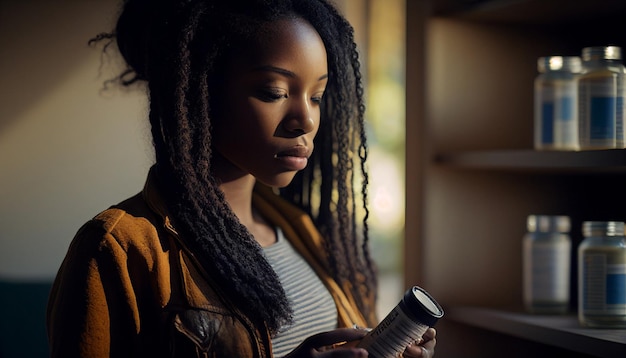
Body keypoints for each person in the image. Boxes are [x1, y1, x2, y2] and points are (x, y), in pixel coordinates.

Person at [46, 0, 437, 357]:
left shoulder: (301, 231)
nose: (307, 120)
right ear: (200, 92)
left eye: (316, 96)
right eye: (273, 91)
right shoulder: (117, 249)